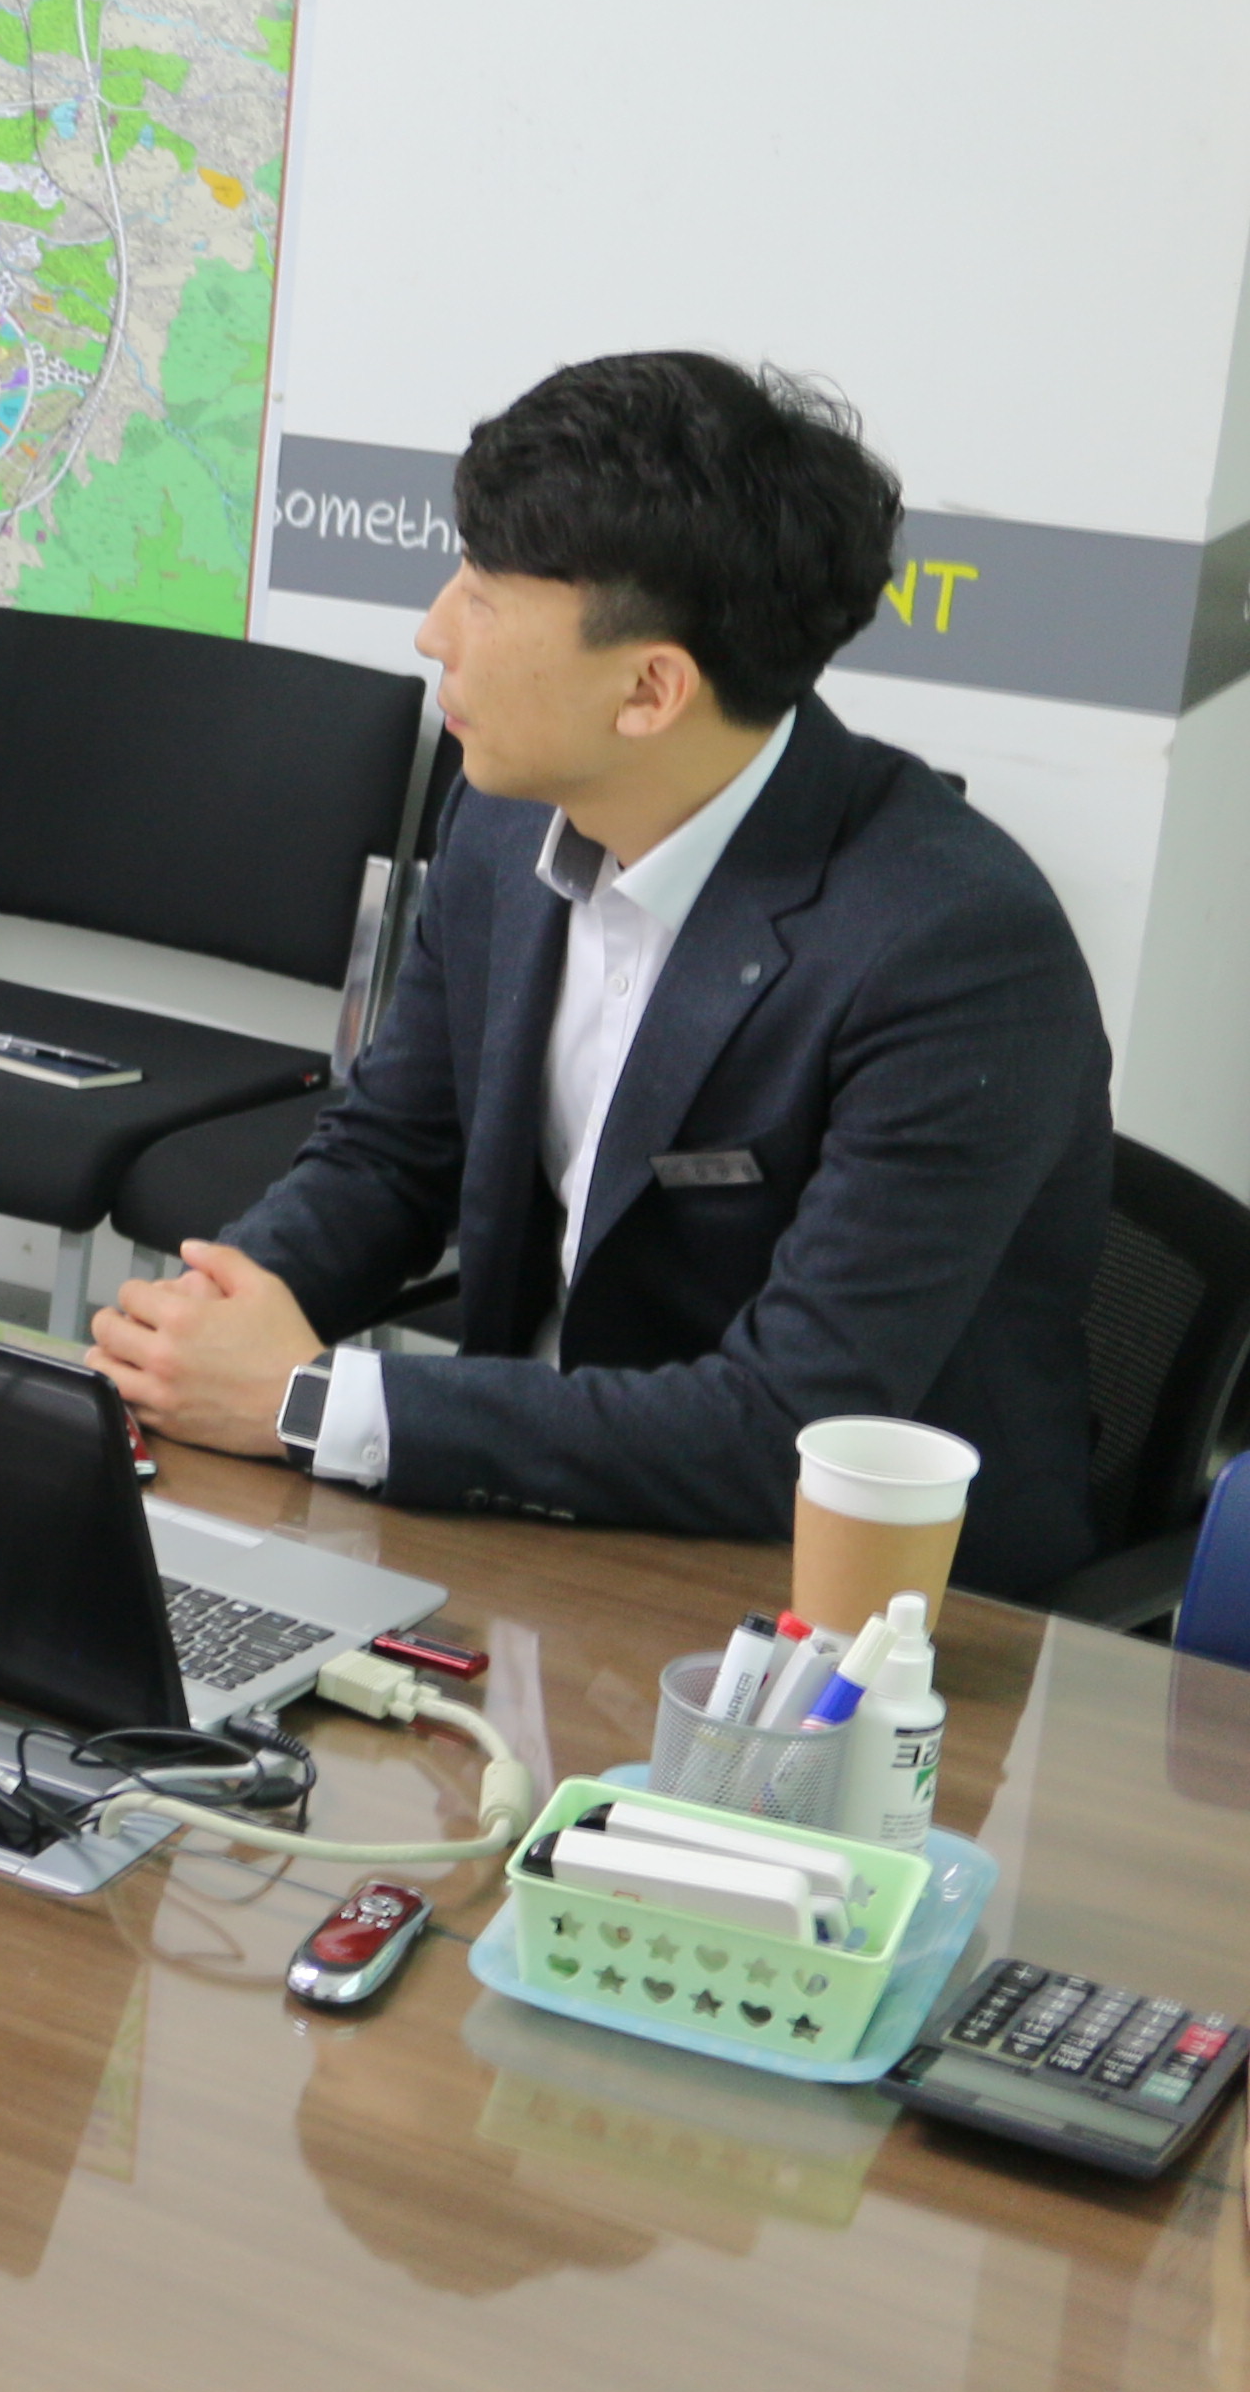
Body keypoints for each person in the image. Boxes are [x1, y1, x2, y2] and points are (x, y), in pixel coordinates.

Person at [94, 351, 1114, 1591]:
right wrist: (207, 1328)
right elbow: (391, 1154)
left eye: (483, 598)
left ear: (649, 691)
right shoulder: (504, 815)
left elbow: (789, 1424)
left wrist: (307, 1403)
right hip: (530, 1509)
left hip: (843, 1599)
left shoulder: (958, 952)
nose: (432, 630)